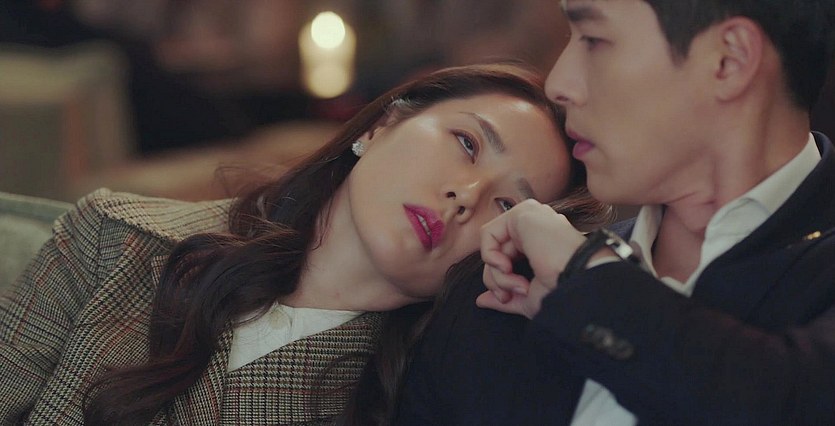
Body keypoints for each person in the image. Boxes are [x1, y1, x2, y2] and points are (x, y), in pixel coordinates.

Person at [0, 63, 610, 425]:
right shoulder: (117, 237)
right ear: (383, 125)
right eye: (468, 144)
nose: (465, 195)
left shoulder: (406, 395)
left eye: (506, 206)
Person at [395, 1, 835, 425]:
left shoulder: (569, 276)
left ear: (729, 61)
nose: (558, 84)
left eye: (593, 39)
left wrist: (583, 276)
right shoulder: (506, 283)